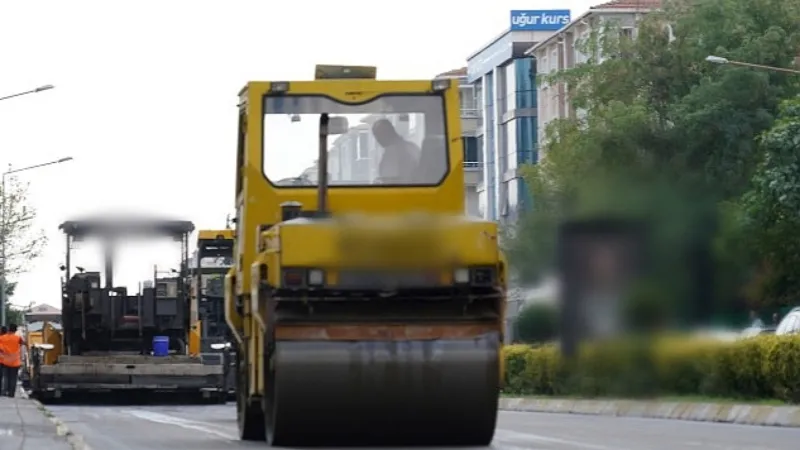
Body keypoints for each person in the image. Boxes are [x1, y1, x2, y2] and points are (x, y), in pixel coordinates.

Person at [371, 119, 420, 183]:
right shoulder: (412, 146)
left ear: (389, 132)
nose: (378, 140)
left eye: (379, 135)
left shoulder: (392, 154)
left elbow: (389, 180)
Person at [0, 323, 24, 397]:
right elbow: (24, 343)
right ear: (15, 330)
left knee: (6, 376)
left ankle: (4, 391)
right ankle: (11, 393)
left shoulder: (2, 338)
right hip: (15, 361)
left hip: (5, 360)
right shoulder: (18, 338)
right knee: (13, 378)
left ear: (9, 329)